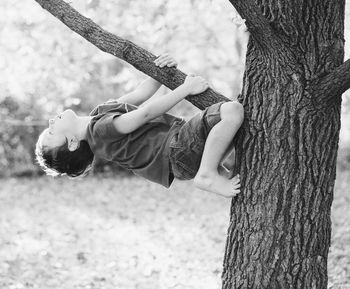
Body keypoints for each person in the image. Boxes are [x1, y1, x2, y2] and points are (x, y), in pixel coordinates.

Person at [35, 54, 244, 197]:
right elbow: (144, 114)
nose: (52, 121)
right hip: (176, 151)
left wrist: (161, 69)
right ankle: (207, 173)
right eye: (52, 131)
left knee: (232, 120)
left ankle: (213, 169)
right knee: (231, 111)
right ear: (72, 142)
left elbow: (141, 94)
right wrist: (185, 89)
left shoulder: (99, 115)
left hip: (179, 155)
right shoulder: (99, 132)